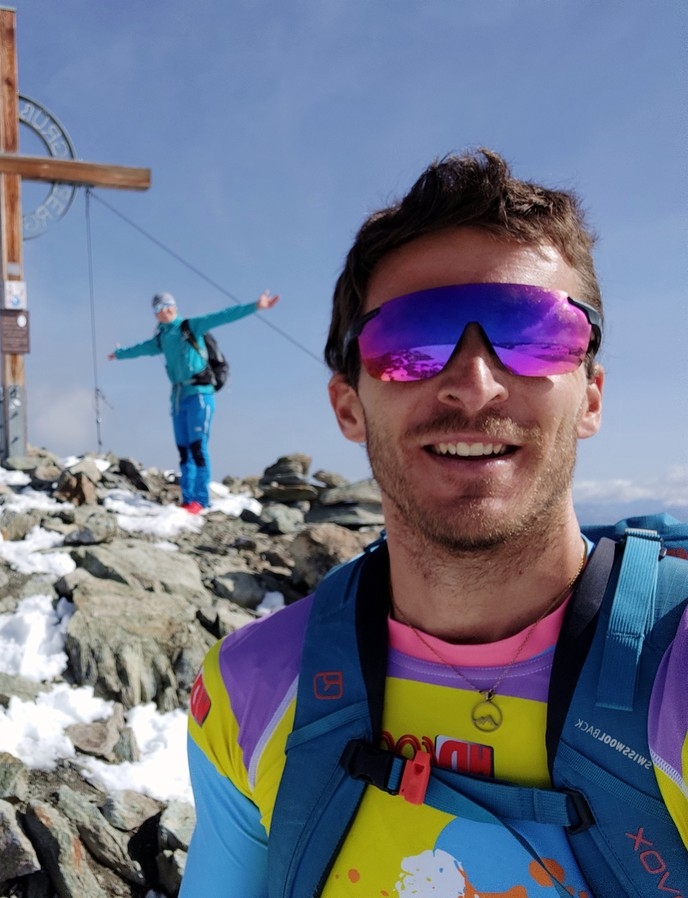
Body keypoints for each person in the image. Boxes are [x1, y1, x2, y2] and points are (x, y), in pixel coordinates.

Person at [181, 149, 688, 895]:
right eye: (411, 342)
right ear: (348, 406)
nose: (475, 386)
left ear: (591, 395)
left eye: (534, 332)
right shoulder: (250, 691)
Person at [109, 289, 279, 513]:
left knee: (198, 447)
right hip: (178, 398)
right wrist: (119, 354)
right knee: (184, 450)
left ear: (175, 306)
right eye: (159, 308)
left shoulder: (190, 326)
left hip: (200, 393)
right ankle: (187, 499)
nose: (164, 311)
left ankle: (201, 499)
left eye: (168, 305)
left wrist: (256, 305)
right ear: (155, 313)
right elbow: (141, 349)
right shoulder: (161, 339)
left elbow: (223, 316)